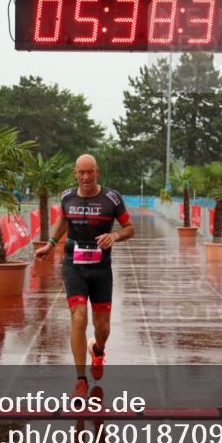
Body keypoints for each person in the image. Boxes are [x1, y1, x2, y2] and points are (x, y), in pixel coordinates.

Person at [35, 154, 134, 397]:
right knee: (79, 319)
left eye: (90, 172)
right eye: (82, 172)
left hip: (101, 268)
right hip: (73, 265)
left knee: (103, 327)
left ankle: (98, 351)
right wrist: (50, 244)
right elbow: (63, 221)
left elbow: (130, 228)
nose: (86, 176)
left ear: (97, 172)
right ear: (75, 173)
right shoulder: (67, 196)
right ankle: (80, 380)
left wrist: (115, 236)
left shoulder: (112, 198)